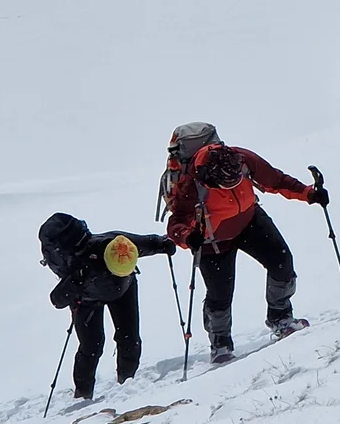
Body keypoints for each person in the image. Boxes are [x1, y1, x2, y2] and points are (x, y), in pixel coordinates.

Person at [165, 142, 322, 364]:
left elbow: (275, 180)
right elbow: (176, 223)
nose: (232, 186)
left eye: (236, 182)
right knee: (220, 294)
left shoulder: (243, 159)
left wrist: (308, 194)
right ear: (210, 178)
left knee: (281, 261)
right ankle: (220, 344)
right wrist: (188, 237)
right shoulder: (191, 183)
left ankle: (281, 318)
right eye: (225, 185)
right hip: (212, 239)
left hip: (250, 220)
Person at [39, 214, 176, 400]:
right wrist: (75, 281)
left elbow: (145, 244)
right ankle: (84, 397)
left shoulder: (118, 246)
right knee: (94, 346)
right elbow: (56, 300)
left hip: (112, 293)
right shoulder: (81, 265)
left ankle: (125, 387)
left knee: (126, 340)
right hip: (89, 298)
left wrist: (162, 243)